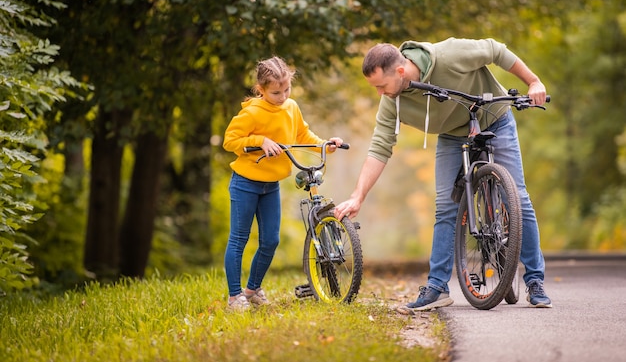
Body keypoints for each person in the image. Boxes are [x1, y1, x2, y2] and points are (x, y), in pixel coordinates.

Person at [334, 38, 552, 312]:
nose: (379, 93)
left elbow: (496, 50)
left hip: (494, 117)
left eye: (381, 85)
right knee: (446, 208)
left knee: (517, 197)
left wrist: (533, 81)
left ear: (400, 72)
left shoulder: (449, 55)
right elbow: (380, 147)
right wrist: (358, 196)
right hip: (452, 135)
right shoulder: (393, 100)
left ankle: (535, 282)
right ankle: (437, 287)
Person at [222, 56, 343, 311]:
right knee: (239, 240)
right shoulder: (252, 112)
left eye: (286, 89)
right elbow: (230, 141)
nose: (282, 96)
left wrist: (324, 145)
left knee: (270, 241)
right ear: (261, 89)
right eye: (275, 92)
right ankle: (235, 297)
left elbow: (303, 135)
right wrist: (260, 140)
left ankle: (253, 290)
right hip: (245, 183)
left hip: (271, 186)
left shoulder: (291, 107)